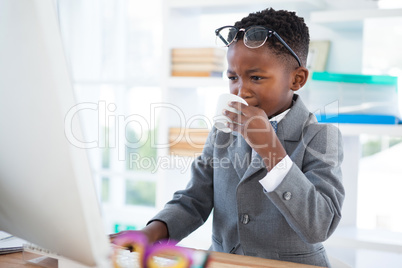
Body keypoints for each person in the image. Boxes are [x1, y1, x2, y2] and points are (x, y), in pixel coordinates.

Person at [112, 7, 345, 267]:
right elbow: (194, 199)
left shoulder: (320, 138)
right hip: (224, 262)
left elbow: (320, 225)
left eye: (256, 77)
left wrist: (270, 149)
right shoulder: (224, 131)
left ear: (297, 79)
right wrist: (150, 234)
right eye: (233, 77)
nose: (240, 90)